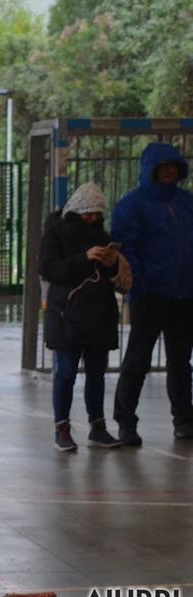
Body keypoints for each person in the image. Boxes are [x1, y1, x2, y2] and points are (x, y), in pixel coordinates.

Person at [111, 143, 193, 445]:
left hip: (185, 295)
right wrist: (140, 287)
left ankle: (184, 420)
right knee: (138, 360)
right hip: (150, 295)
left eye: (174, 167)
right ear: (152, 170)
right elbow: (126, 249)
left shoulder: (186, 202)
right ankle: (125, 422)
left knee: (181, 363)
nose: (169, 172)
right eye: (163, 167)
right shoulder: (131, 206)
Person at [39, 182, 127, 452]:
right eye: (88, 212)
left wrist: (112, 264)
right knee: (66, 372)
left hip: (99, 314)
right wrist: (84, 258)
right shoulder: (55, 232)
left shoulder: (102, 235)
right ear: (77, 209)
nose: (92, 217)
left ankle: (98, 428)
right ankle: (62, 428)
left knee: (97, 374)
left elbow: (109, 276)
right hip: (67, 313)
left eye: (97, 213)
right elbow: (48, 270)